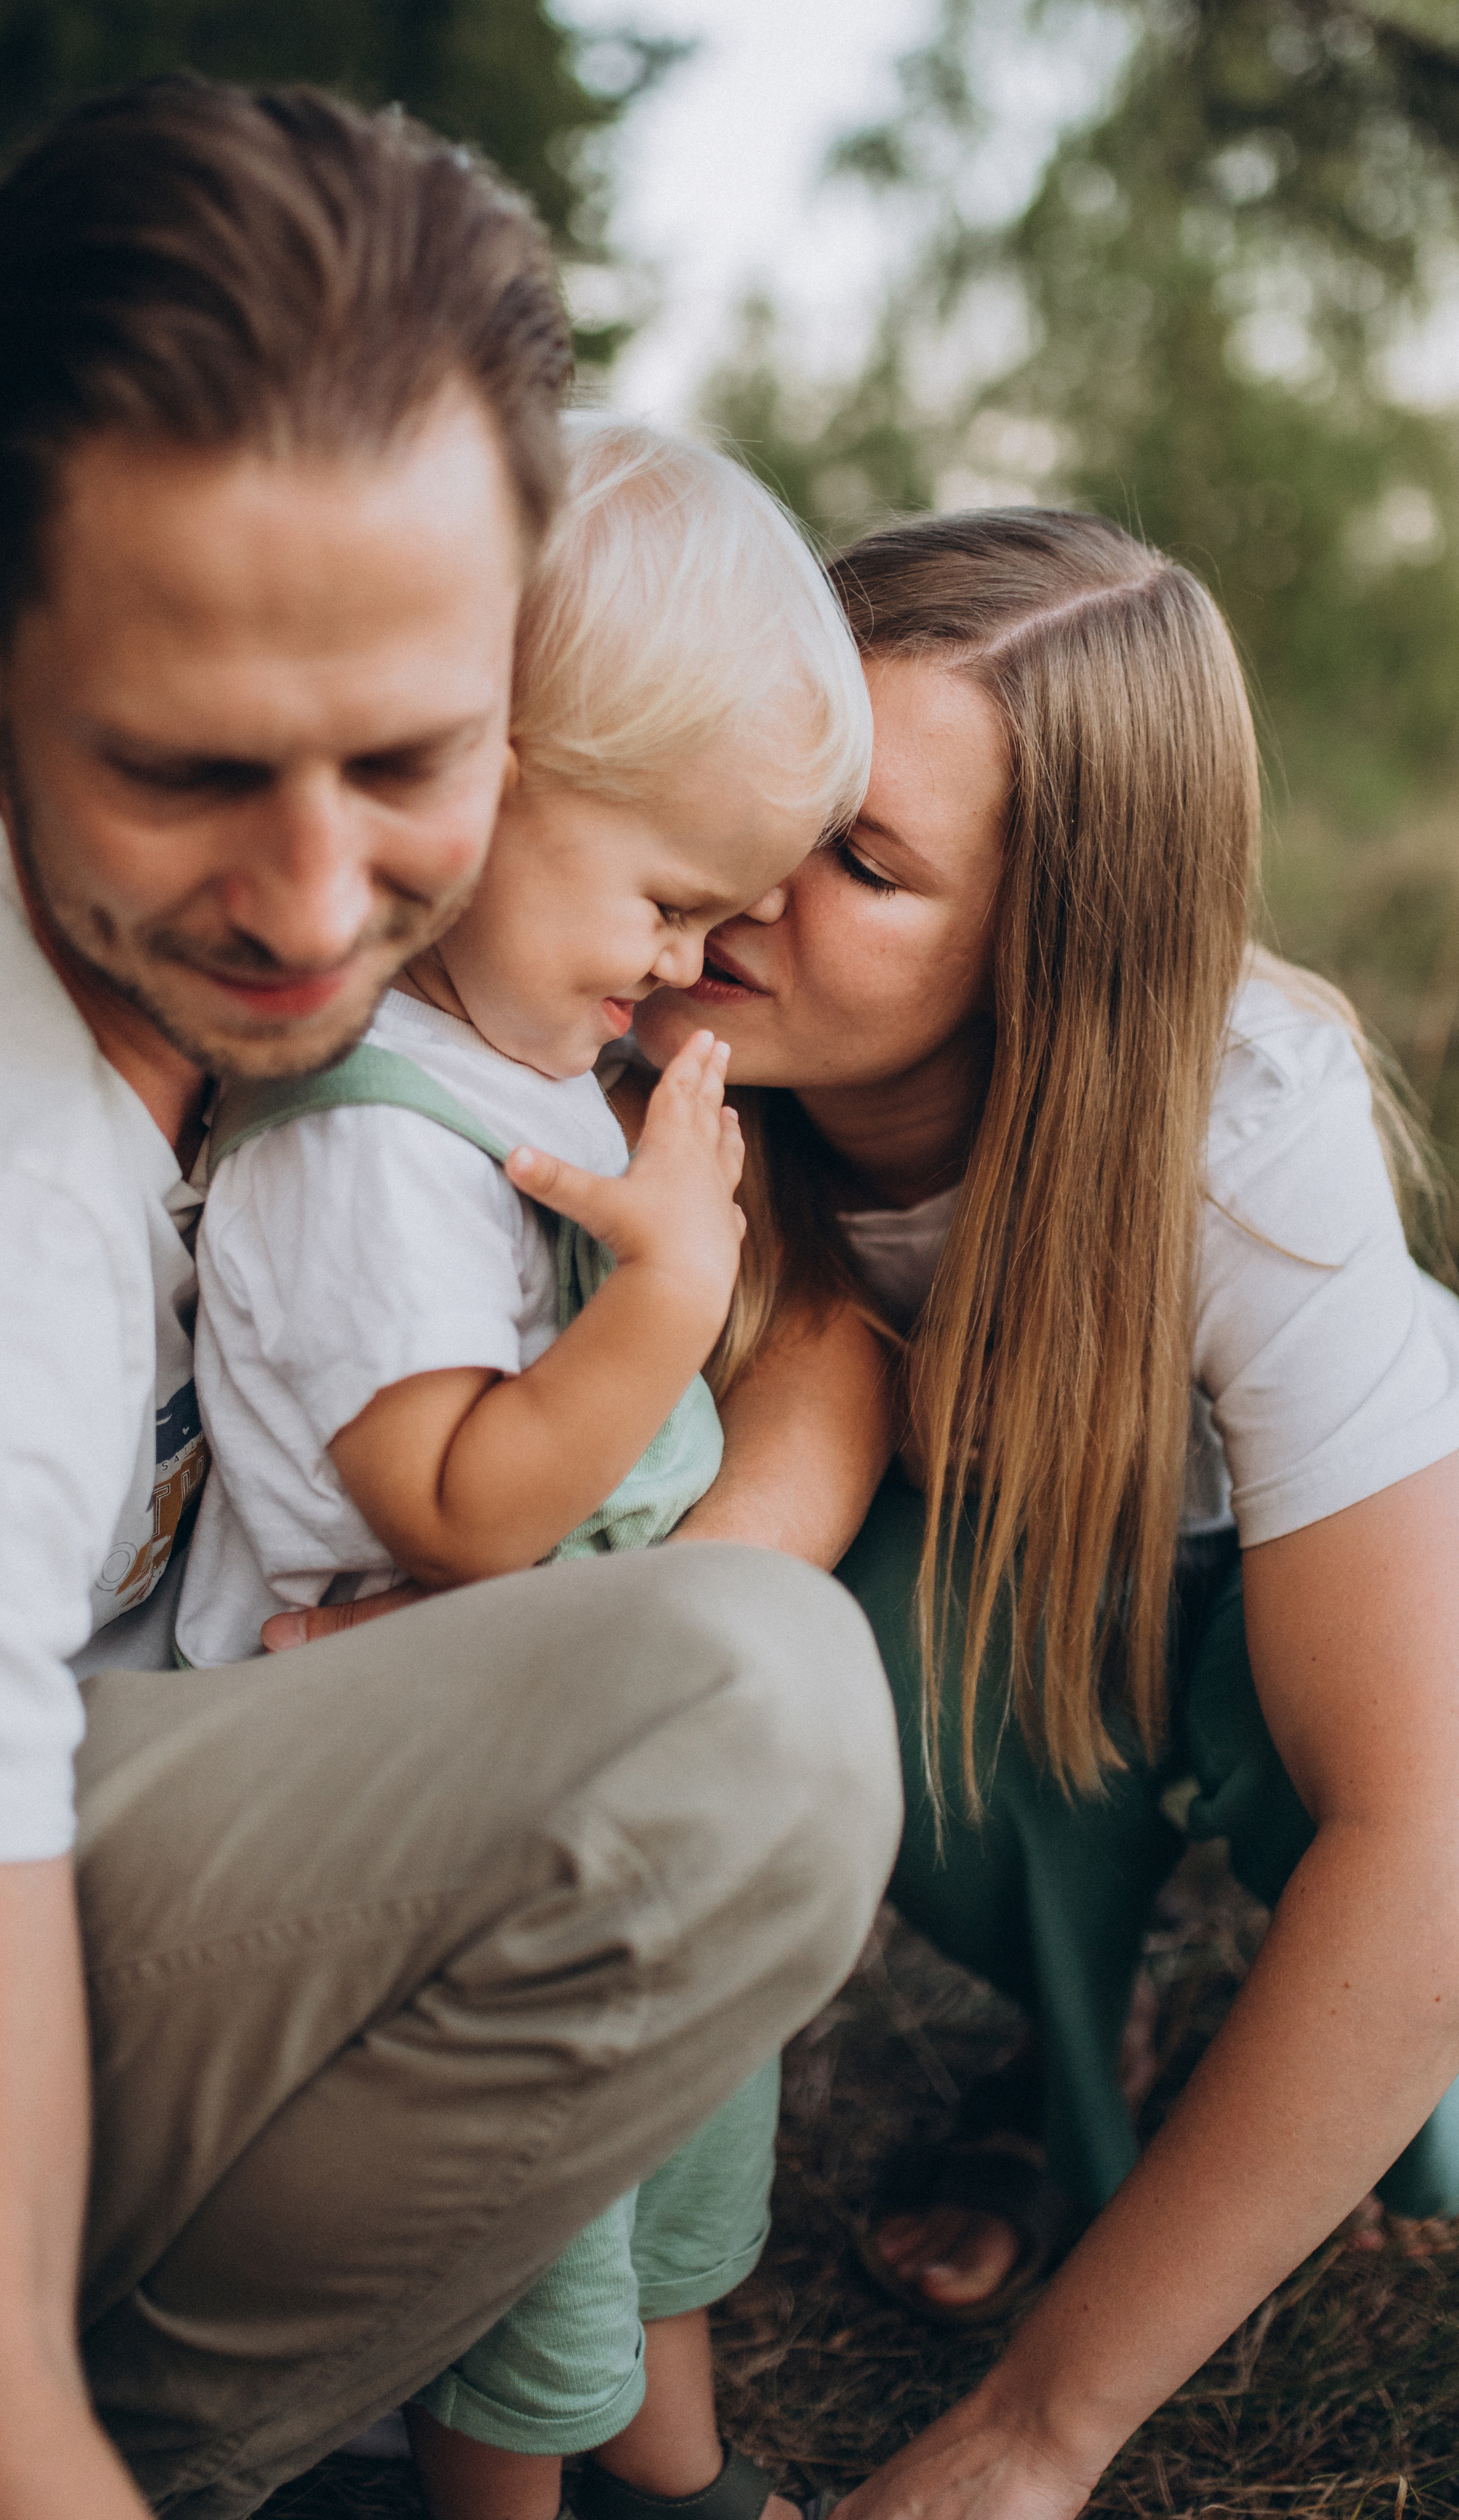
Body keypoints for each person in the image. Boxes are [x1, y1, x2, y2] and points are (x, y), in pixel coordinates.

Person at [0, 80, 903, 2520]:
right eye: (192, 765)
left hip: (48, 1854)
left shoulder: (373, 963)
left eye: (408, 757)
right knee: (745, 1721)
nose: (311, 904)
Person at [625, 507, 1459, 2517]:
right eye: (781, 788)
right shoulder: (625, 976)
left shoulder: (1241, 1125)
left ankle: (1217, 2076)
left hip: (1293, 1555)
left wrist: (1034, 2433)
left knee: (1406, 2067)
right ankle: (1074, 2054)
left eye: (869, 861)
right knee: (875, 1683)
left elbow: (1418, 1819)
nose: (749, 880)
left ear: (1053, 945)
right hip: (1002, 1556)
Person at [176, 412, 883, 2520]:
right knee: (529, 2216)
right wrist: (670, 1290)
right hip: (427, 1806)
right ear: (482, 784)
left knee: (663, 2147)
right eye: (669, 899)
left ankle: (674, 2471)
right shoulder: (372, 1136)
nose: (686, 963)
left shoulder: (519, 1065)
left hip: (585, 1754)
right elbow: (462, 1503)